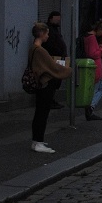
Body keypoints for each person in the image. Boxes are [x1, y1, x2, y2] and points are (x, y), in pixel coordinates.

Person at [29, 21, 72, 153]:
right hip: (45, 84)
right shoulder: (40, 51)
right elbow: (52, 67)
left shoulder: (33, 48)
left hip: (40, 84)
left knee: (40, 112)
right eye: (47, 33)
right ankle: (38, 141)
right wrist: (68, 70)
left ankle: (37, 140)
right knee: (42, 113)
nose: (48, 36)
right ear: (41, 34)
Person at [81, 21, 102, 121]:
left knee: (101, 88)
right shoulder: (92, 38)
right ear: (99, 29)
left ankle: (90, 108)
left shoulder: (87, 37)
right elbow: (93, 54)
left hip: (95, 67)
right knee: (99, 89)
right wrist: (101, 49)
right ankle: (90, 108)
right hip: (95, 67)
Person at [43, 11, 67, 110]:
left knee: (56, 81)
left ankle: (50, 100)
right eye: (56, 18)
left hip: (58, 58)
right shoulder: (49, 30)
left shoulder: (55, 29)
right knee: (52, 81)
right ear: (51, 18)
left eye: (59, 18)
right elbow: (50, 45)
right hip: (53, 58)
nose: (58, 20)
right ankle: (49, 100)